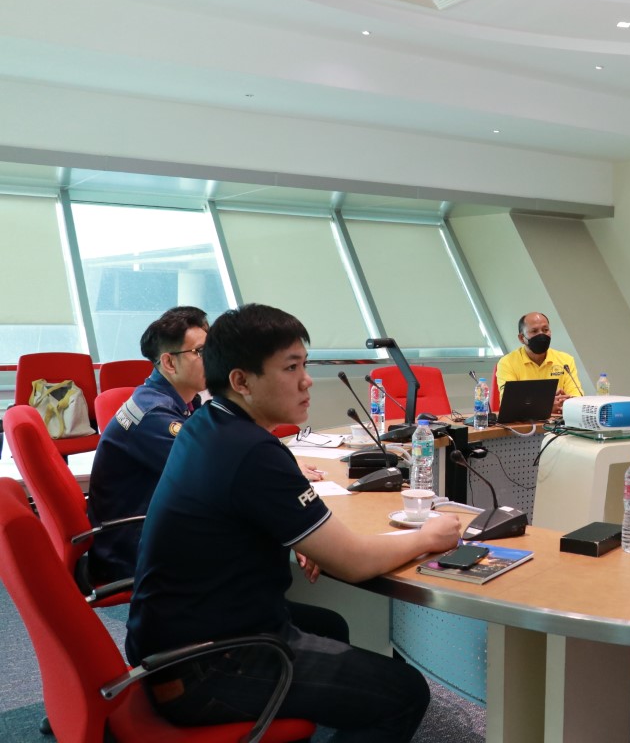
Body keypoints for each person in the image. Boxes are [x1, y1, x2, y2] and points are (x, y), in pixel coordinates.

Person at [126, 304, 461, 741]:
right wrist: (429, 534)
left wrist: (303, 536)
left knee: (331, 627)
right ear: (241, 381)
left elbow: (243, 513)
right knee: (406, 692)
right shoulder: (251, 451)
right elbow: (354, 562)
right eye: (291, 367)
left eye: (304, 365)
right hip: (205, 668)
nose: (306, 380)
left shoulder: (211, 422)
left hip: (170, 643)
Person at [87, 306, 210, 582]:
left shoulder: (182, 401)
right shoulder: (154, 414)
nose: (214, 358)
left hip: (155, 528)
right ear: (169, 363)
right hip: (133, 551)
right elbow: (212, 475)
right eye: (201, 352)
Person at [495, 311, 581, 414]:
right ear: (522, 338)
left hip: (558, 421)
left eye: (545, 330)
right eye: (534, 331)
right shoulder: (507, 362)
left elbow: (576, 398)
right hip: (523, 423)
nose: (541, 335)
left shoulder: (566, 360)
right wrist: (546, 405)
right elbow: (509, 404)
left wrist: (537, 404)